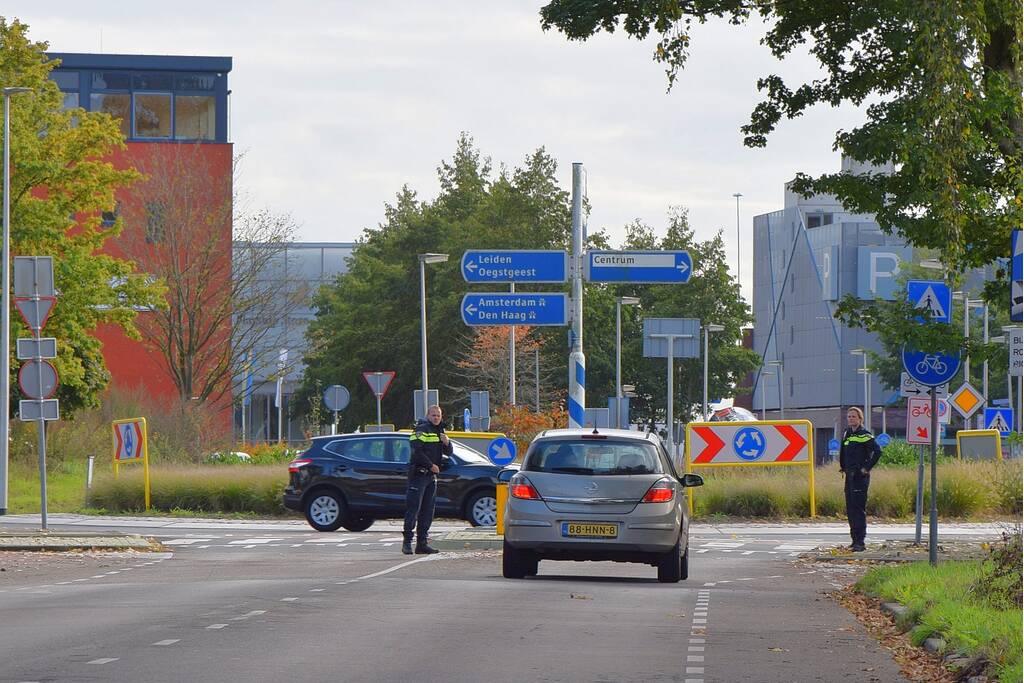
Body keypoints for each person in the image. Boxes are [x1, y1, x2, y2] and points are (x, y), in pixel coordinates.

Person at [403, 404, 452, 555]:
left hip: (431, 477)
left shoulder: (440, 431)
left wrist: (447, 443)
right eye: (433, 415)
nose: (436, 418)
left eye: (438, 415)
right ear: (427, 416)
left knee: (428, 511)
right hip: (419, 475)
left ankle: (422, 544)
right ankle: (407, 543)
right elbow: (416, 452)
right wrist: (431, 465)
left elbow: (448, 453)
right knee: (414, 509)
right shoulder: (421, 429)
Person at [839, 406, 882, 552]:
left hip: (859, 477)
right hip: (849, 476)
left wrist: (866, 468)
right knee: (850, 509)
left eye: (854, 417)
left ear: (860, 418)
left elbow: (878, 451)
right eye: (849, 416)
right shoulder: (847, 433)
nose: (851, 419)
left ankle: (860, 542)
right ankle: (854, 540)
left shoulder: (865, 434)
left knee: (858, 509)